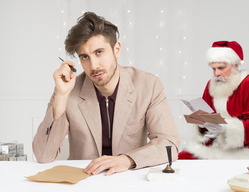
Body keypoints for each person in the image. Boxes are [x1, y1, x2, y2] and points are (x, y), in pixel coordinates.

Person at [33, 12, 180, 176]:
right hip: (83, 182)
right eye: (84, 57)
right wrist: (60, 97)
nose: (94, 65)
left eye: (99, 52)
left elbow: (169, 144)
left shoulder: (148, 85)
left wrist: (126, 159)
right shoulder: (68, 89)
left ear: (116, 49)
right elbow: (43, 155)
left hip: (130, 180)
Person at [178, 41, 249, 159]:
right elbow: (206, 114)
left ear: (235, 66)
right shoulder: (211, 84)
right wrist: (201, 122)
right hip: (214, 146)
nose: (216, 73)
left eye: (221, 68)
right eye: (214, 69)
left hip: (247, 148)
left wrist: (226, 129)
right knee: (180, 160)